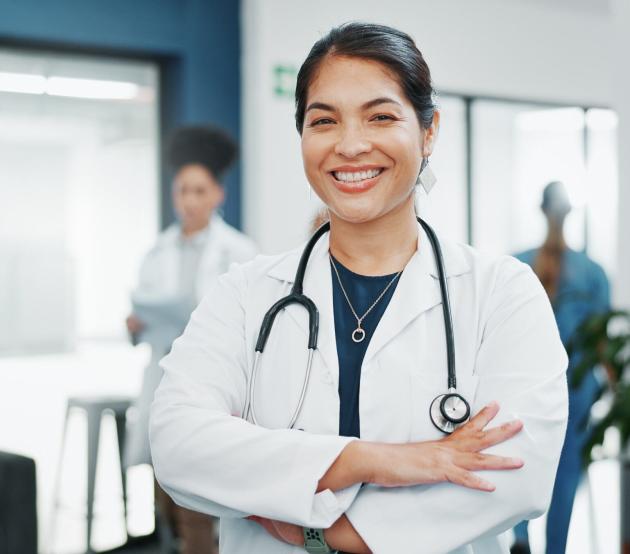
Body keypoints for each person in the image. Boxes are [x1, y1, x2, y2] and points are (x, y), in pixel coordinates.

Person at [150, 23, 568, 554]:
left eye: (381, 116)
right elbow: (177, 444)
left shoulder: (500, 294)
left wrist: (318, 529)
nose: (350, 145)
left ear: (429, 130)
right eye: (323, 120)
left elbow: (513, 477)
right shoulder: (244, 294)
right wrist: (383, 458)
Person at [126, 125, 257, 553]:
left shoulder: (239, 251)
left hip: (211, 380)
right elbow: (142, 315)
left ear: (218, 195)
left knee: (198, 479)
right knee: (164, 478)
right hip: (162, 371)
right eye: (183, 190)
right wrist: (134, 325)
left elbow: (249, 324)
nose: (190, 200)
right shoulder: (156, 251)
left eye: (200, 191)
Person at [511, 182, 610, 554]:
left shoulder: (517, 264)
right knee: (567, 474)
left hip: (526, 384)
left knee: (518, 461)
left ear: (541, 210)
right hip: (576, 389)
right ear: (569, 213)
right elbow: (602, 341)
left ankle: (520, 538)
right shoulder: (592, 272)